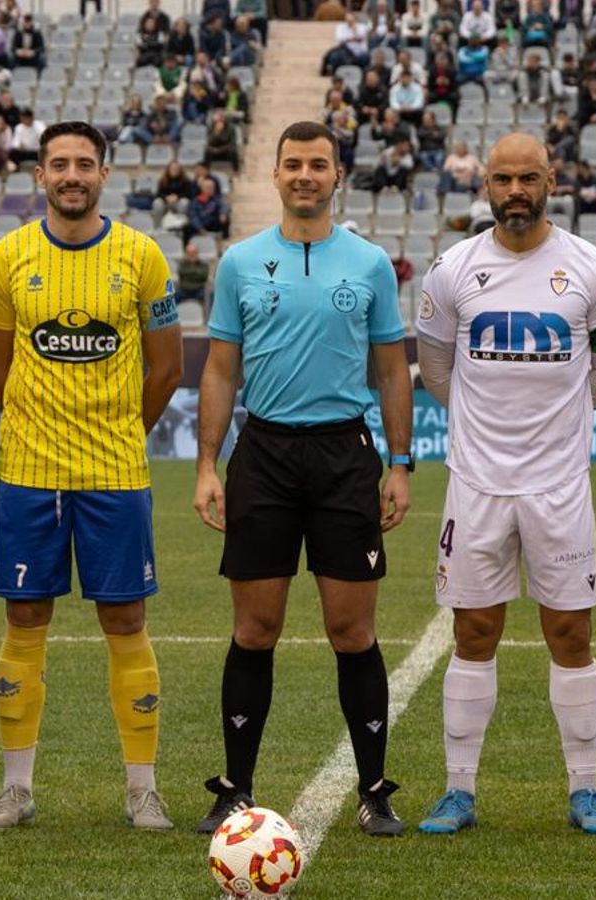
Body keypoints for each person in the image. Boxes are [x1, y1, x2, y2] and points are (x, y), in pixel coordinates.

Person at [192, 120, 414, 838]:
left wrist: (401, 463)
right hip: (264, 456)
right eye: (294, 164)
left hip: (345, 457)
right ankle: (235, 790)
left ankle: (374, 789)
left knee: (352, 630)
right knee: (255, 628)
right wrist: (205, 465)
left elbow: (390, 369)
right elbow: (221, 369)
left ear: (337, 175)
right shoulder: (240, 262)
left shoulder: (371, 263)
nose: (306, 175)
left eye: (319, 165)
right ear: (277, 175)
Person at [412, 133, 596, 838]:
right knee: (473, 629)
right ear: (485, 185)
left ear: (551, 180)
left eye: (528, 178)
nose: (516, 190)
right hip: (477, 482)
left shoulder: (595, 272)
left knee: (570, 630)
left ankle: (586, 789)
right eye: (504, 179)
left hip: (559, 484)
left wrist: (554, 425)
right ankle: (458, 790)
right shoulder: (451, 270)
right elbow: (438, 372)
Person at [0, 121, 183, 831]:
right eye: (59, 164)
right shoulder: (8, 256)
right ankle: (16, 788)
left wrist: (122, 428)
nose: (72, 175)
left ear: (104, 174)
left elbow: (166, 369)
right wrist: (37, 423)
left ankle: (141, 790)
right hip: (30, 472)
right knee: (24, 616)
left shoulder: (142, 255)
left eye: (84, 164)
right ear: (40, 175)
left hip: (115, 472)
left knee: (125, 617)